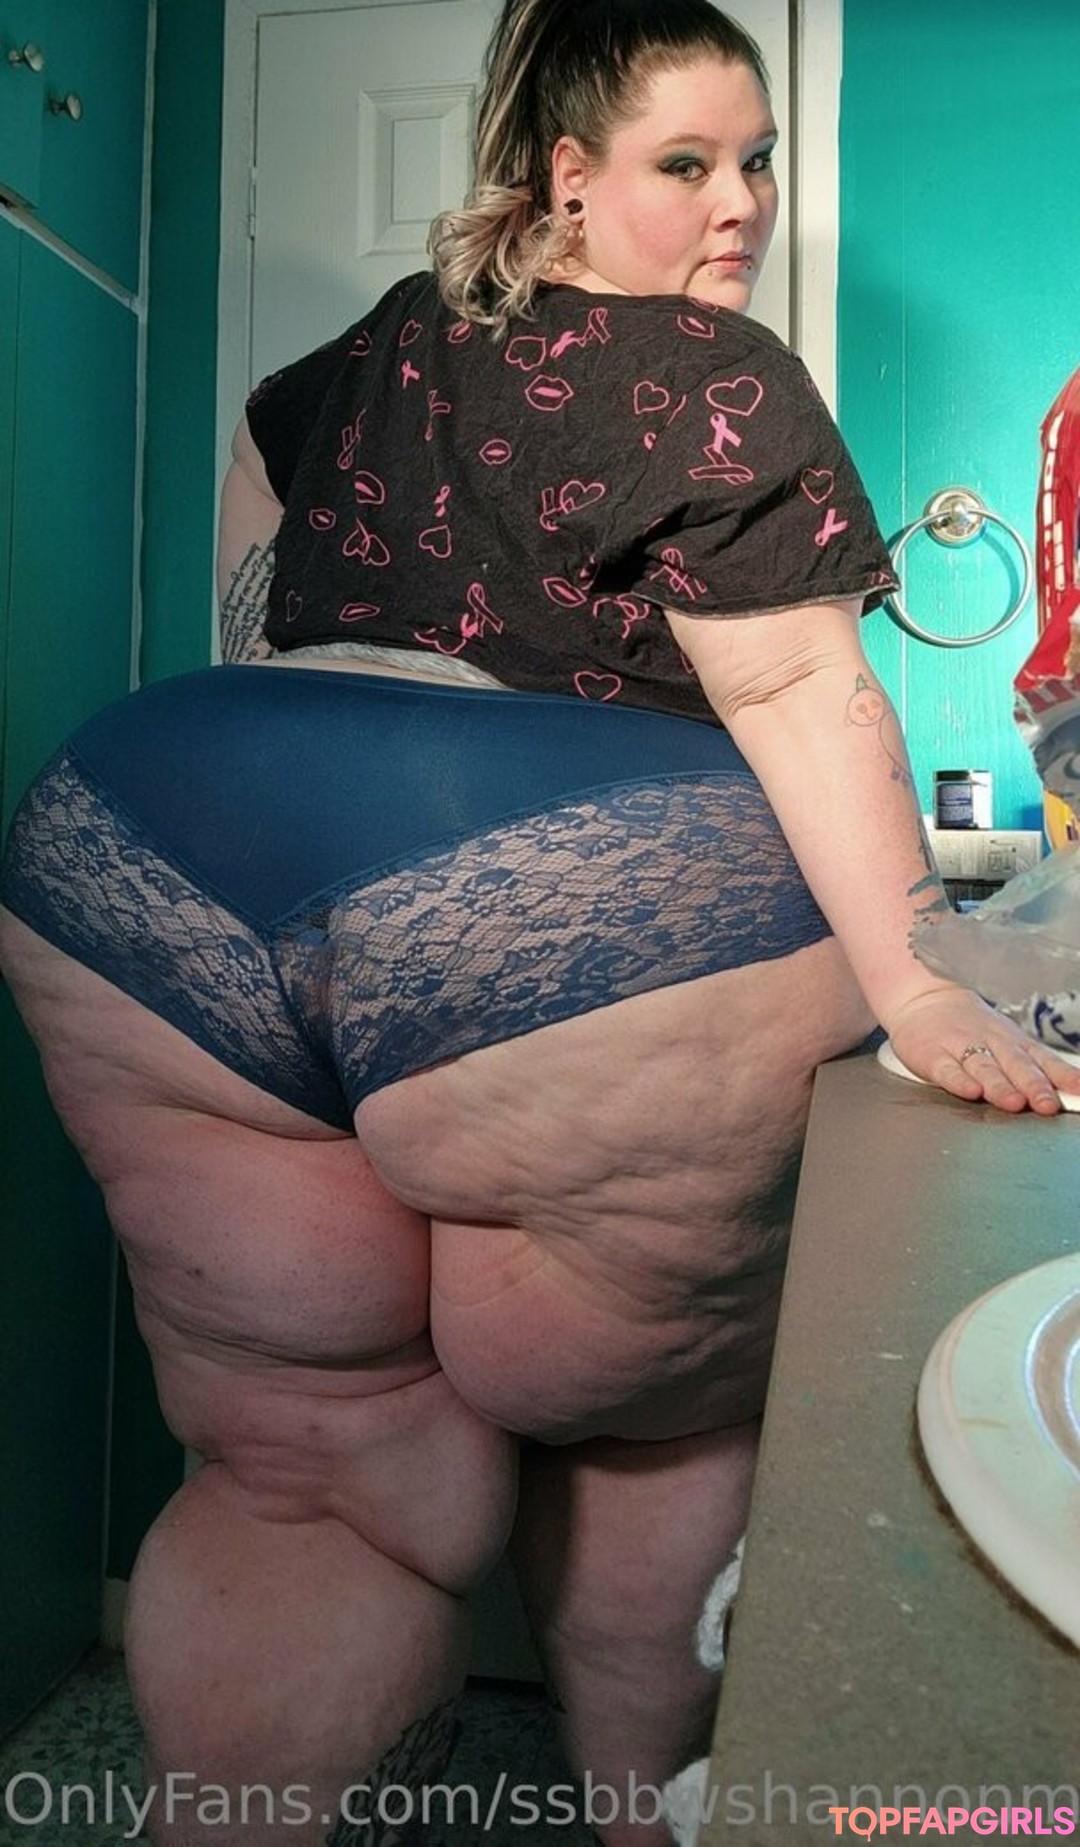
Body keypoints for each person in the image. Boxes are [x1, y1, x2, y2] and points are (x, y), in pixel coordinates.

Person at [2, 1, 1078, 1843]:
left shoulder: (359, 353)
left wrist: (309, 701)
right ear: (567, 178)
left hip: (152, 848)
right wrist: (921, 983)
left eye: (756, 162)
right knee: (648, 1434)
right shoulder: (714, 369)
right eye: (688, 162)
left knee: (296, 1470)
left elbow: (254, 522)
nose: (740, 204)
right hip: (551, 897)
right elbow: (800, 693)